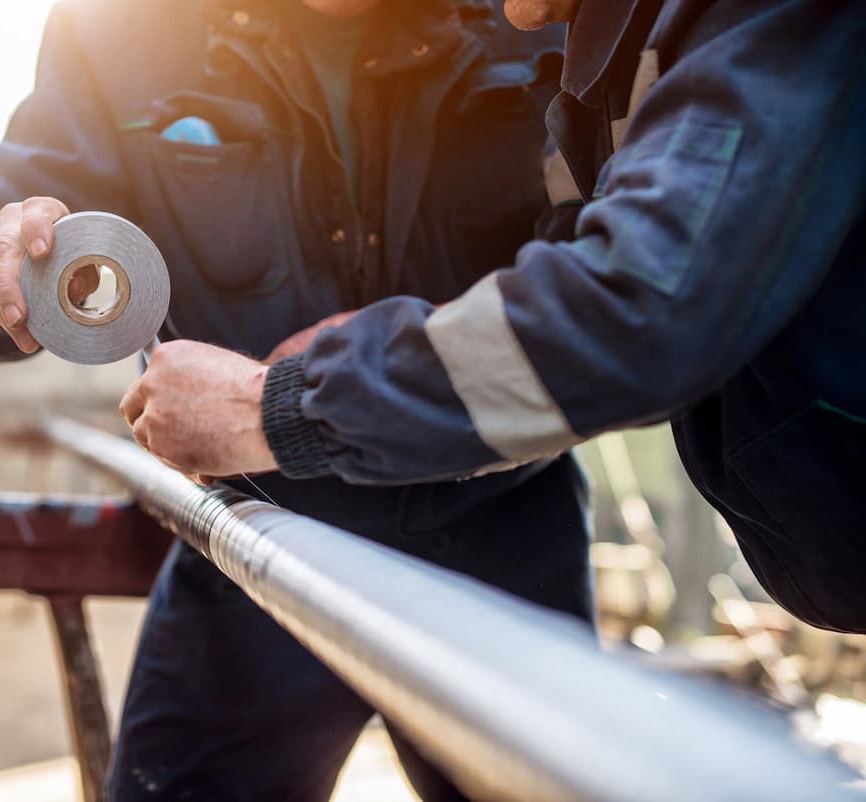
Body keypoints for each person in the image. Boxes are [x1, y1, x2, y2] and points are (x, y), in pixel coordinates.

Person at [0, 1, 595, 799]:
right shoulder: (119, 32)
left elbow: (617, 285)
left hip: (503, 533)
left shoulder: (538, 14)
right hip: (257, 541)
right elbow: (0, 234)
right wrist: (2, 266)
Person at [125, 0, 866, 634]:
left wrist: (272, 408)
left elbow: (634, 310)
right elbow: (610, 293)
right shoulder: (612, 52)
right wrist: (371, 357)